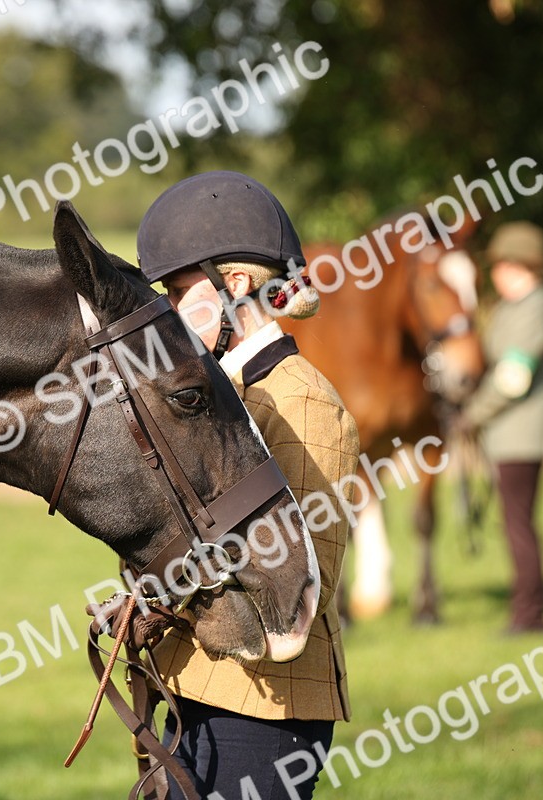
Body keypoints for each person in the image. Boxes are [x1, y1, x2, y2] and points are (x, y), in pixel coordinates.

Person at [136, 171, 359, 799]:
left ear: (233, 285)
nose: (168, 313)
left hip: (264, 712)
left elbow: (297, 587)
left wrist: (166, 599)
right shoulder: (233, 396)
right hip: (200, 690)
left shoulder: (302, 400)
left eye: (178, 292)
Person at [457, 222, 543, 634]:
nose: (494, 273)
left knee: (518, 524)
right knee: (515, 522)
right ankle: (527, 608)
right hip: (509, 433)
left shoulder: (536, 308)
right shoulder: (513, 307)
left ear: (518, 265)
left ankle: (530, 614)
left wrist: (472, 415)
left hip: (523, 432)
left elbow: (512, 378)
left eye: (501, 265)